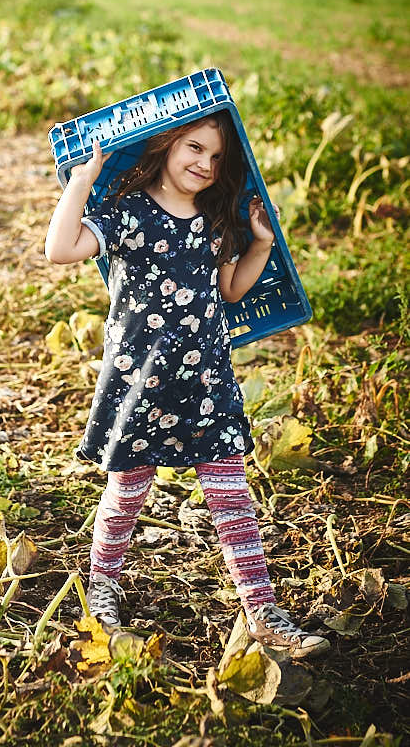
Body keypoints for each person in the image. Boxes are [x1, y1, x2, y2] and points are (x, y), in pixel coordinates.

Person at [45, 111, 330, 659]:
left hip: (206, 378)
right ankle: (102, 590)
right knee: (127, 490)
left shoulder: (216, 220)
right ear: (166, 143)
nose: (205, 163)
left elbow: (228, 291)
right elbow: (59, 248)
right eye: (195, 148)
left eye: (217, 157)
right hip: (140, 381)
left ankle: (262, 608)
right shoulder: (126, 212)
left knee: (231, 494)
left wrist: (261, 245)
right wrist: (81, 180)